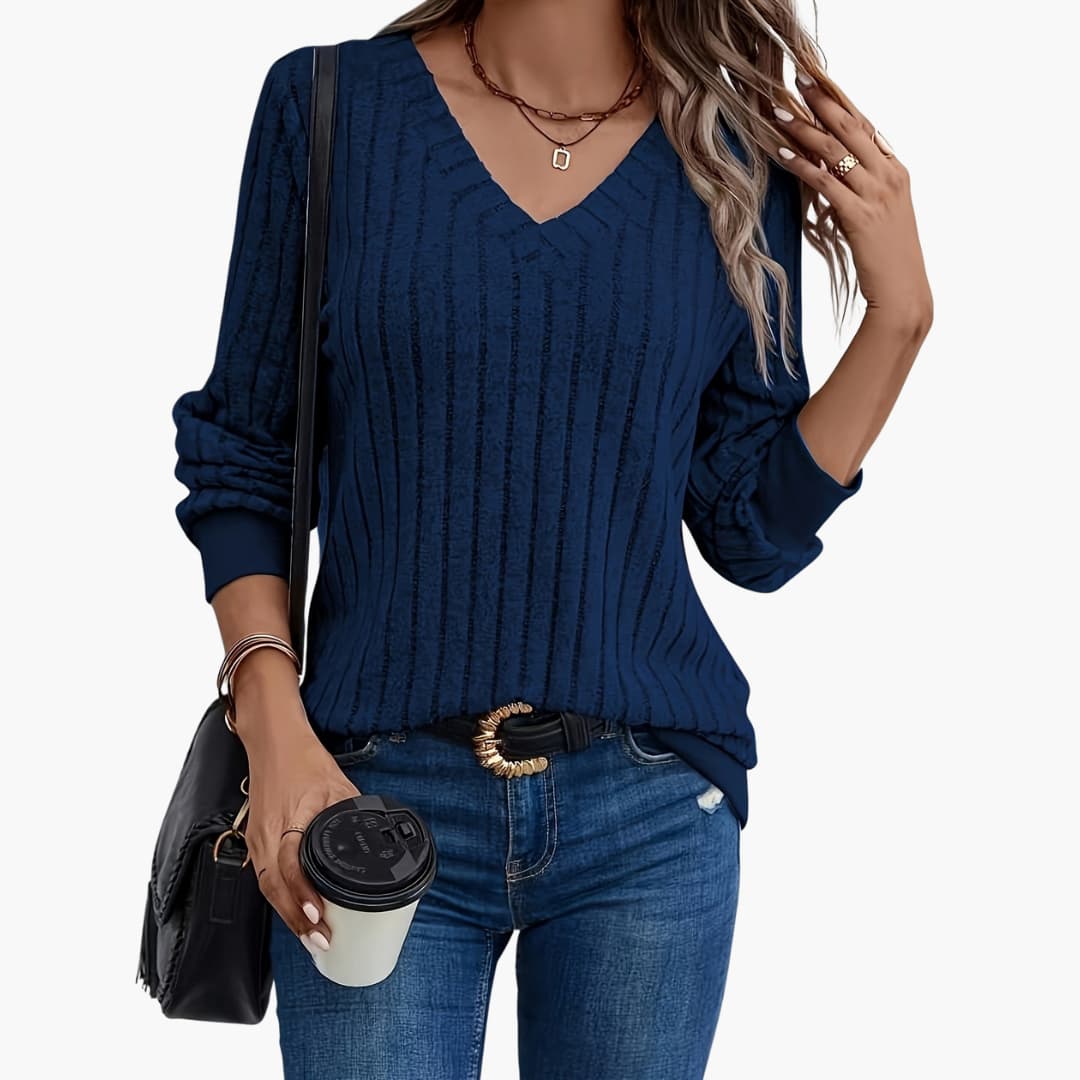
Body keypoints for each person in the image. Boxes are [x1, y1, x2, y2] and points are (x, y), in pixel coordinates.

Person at [169, 2, 931, 1076]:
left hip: (648, 813)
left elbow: (747, 528)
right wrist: (273, 726)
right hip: (363, 805)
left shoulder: (731, 156)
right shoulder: (331, 107)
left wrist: (899, 321)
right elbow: (247, 452)